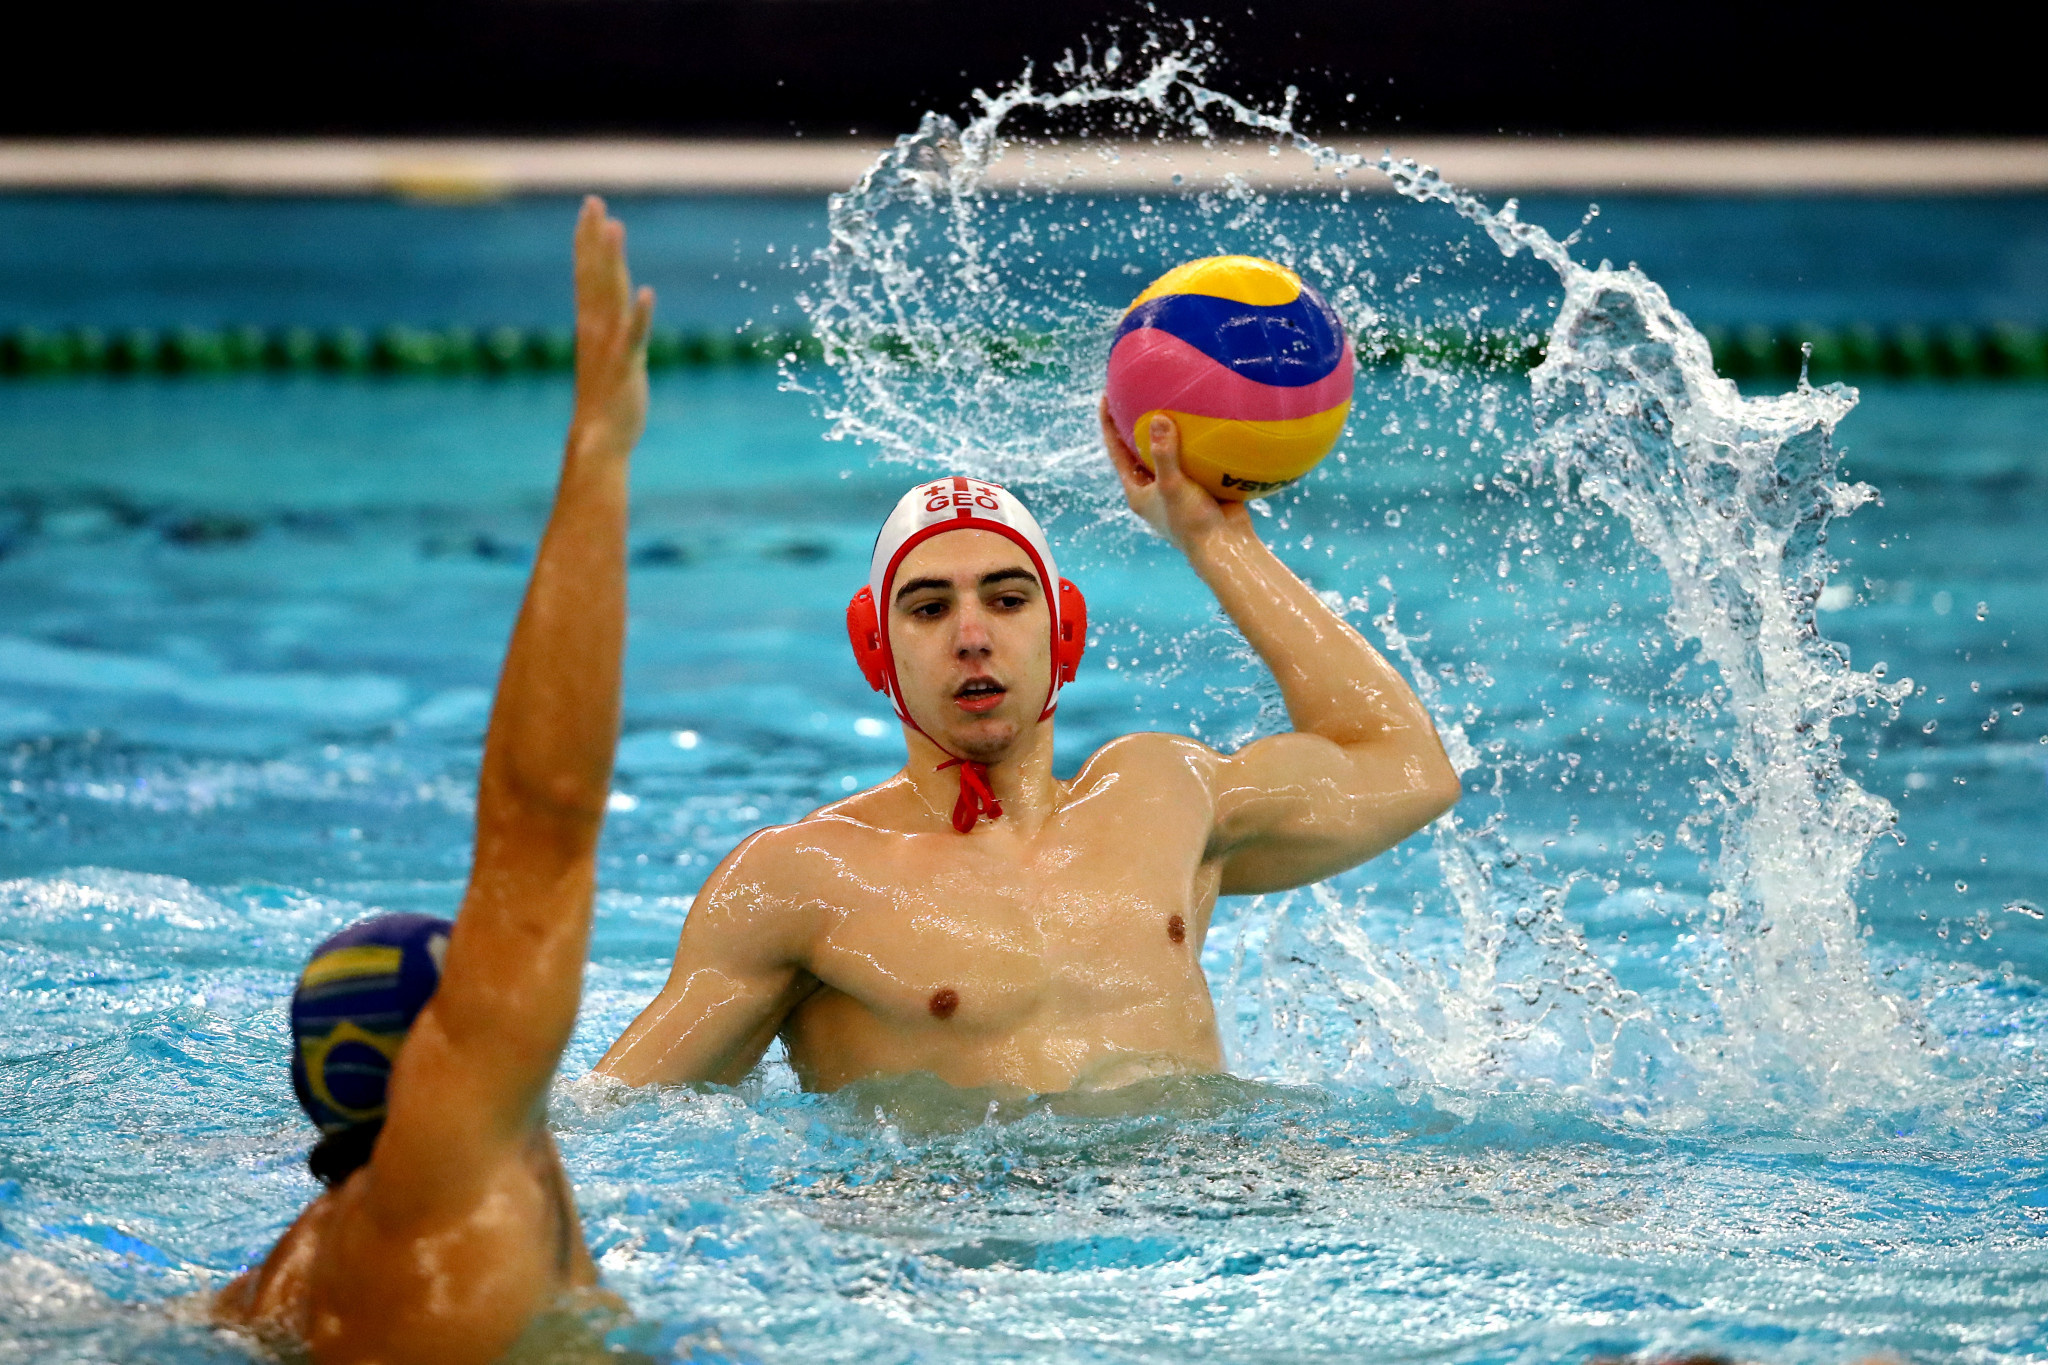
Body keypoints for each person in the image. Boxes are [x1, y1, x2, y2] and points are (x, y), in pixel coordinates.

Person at [597, 399, 1461, 1096]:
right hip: (960, 1266)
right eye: (929, 608)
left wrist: (1216, 539)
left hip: (1195, 1250)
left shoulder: (1162, 795)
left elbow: (1407, 769)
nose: (972, 637)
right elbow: (602, 1126)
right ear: (876, 649)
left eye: (1008, 600)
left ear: (1066, 630)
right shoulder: (799, 880)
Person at [213, 196, 653, 1364]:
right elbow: (539, 824)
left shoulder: (283, 1278)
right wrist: (596, 461)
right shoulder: (459, 1181)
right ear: (441, 1059)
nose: (519, 1006)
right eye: (474, 1002)